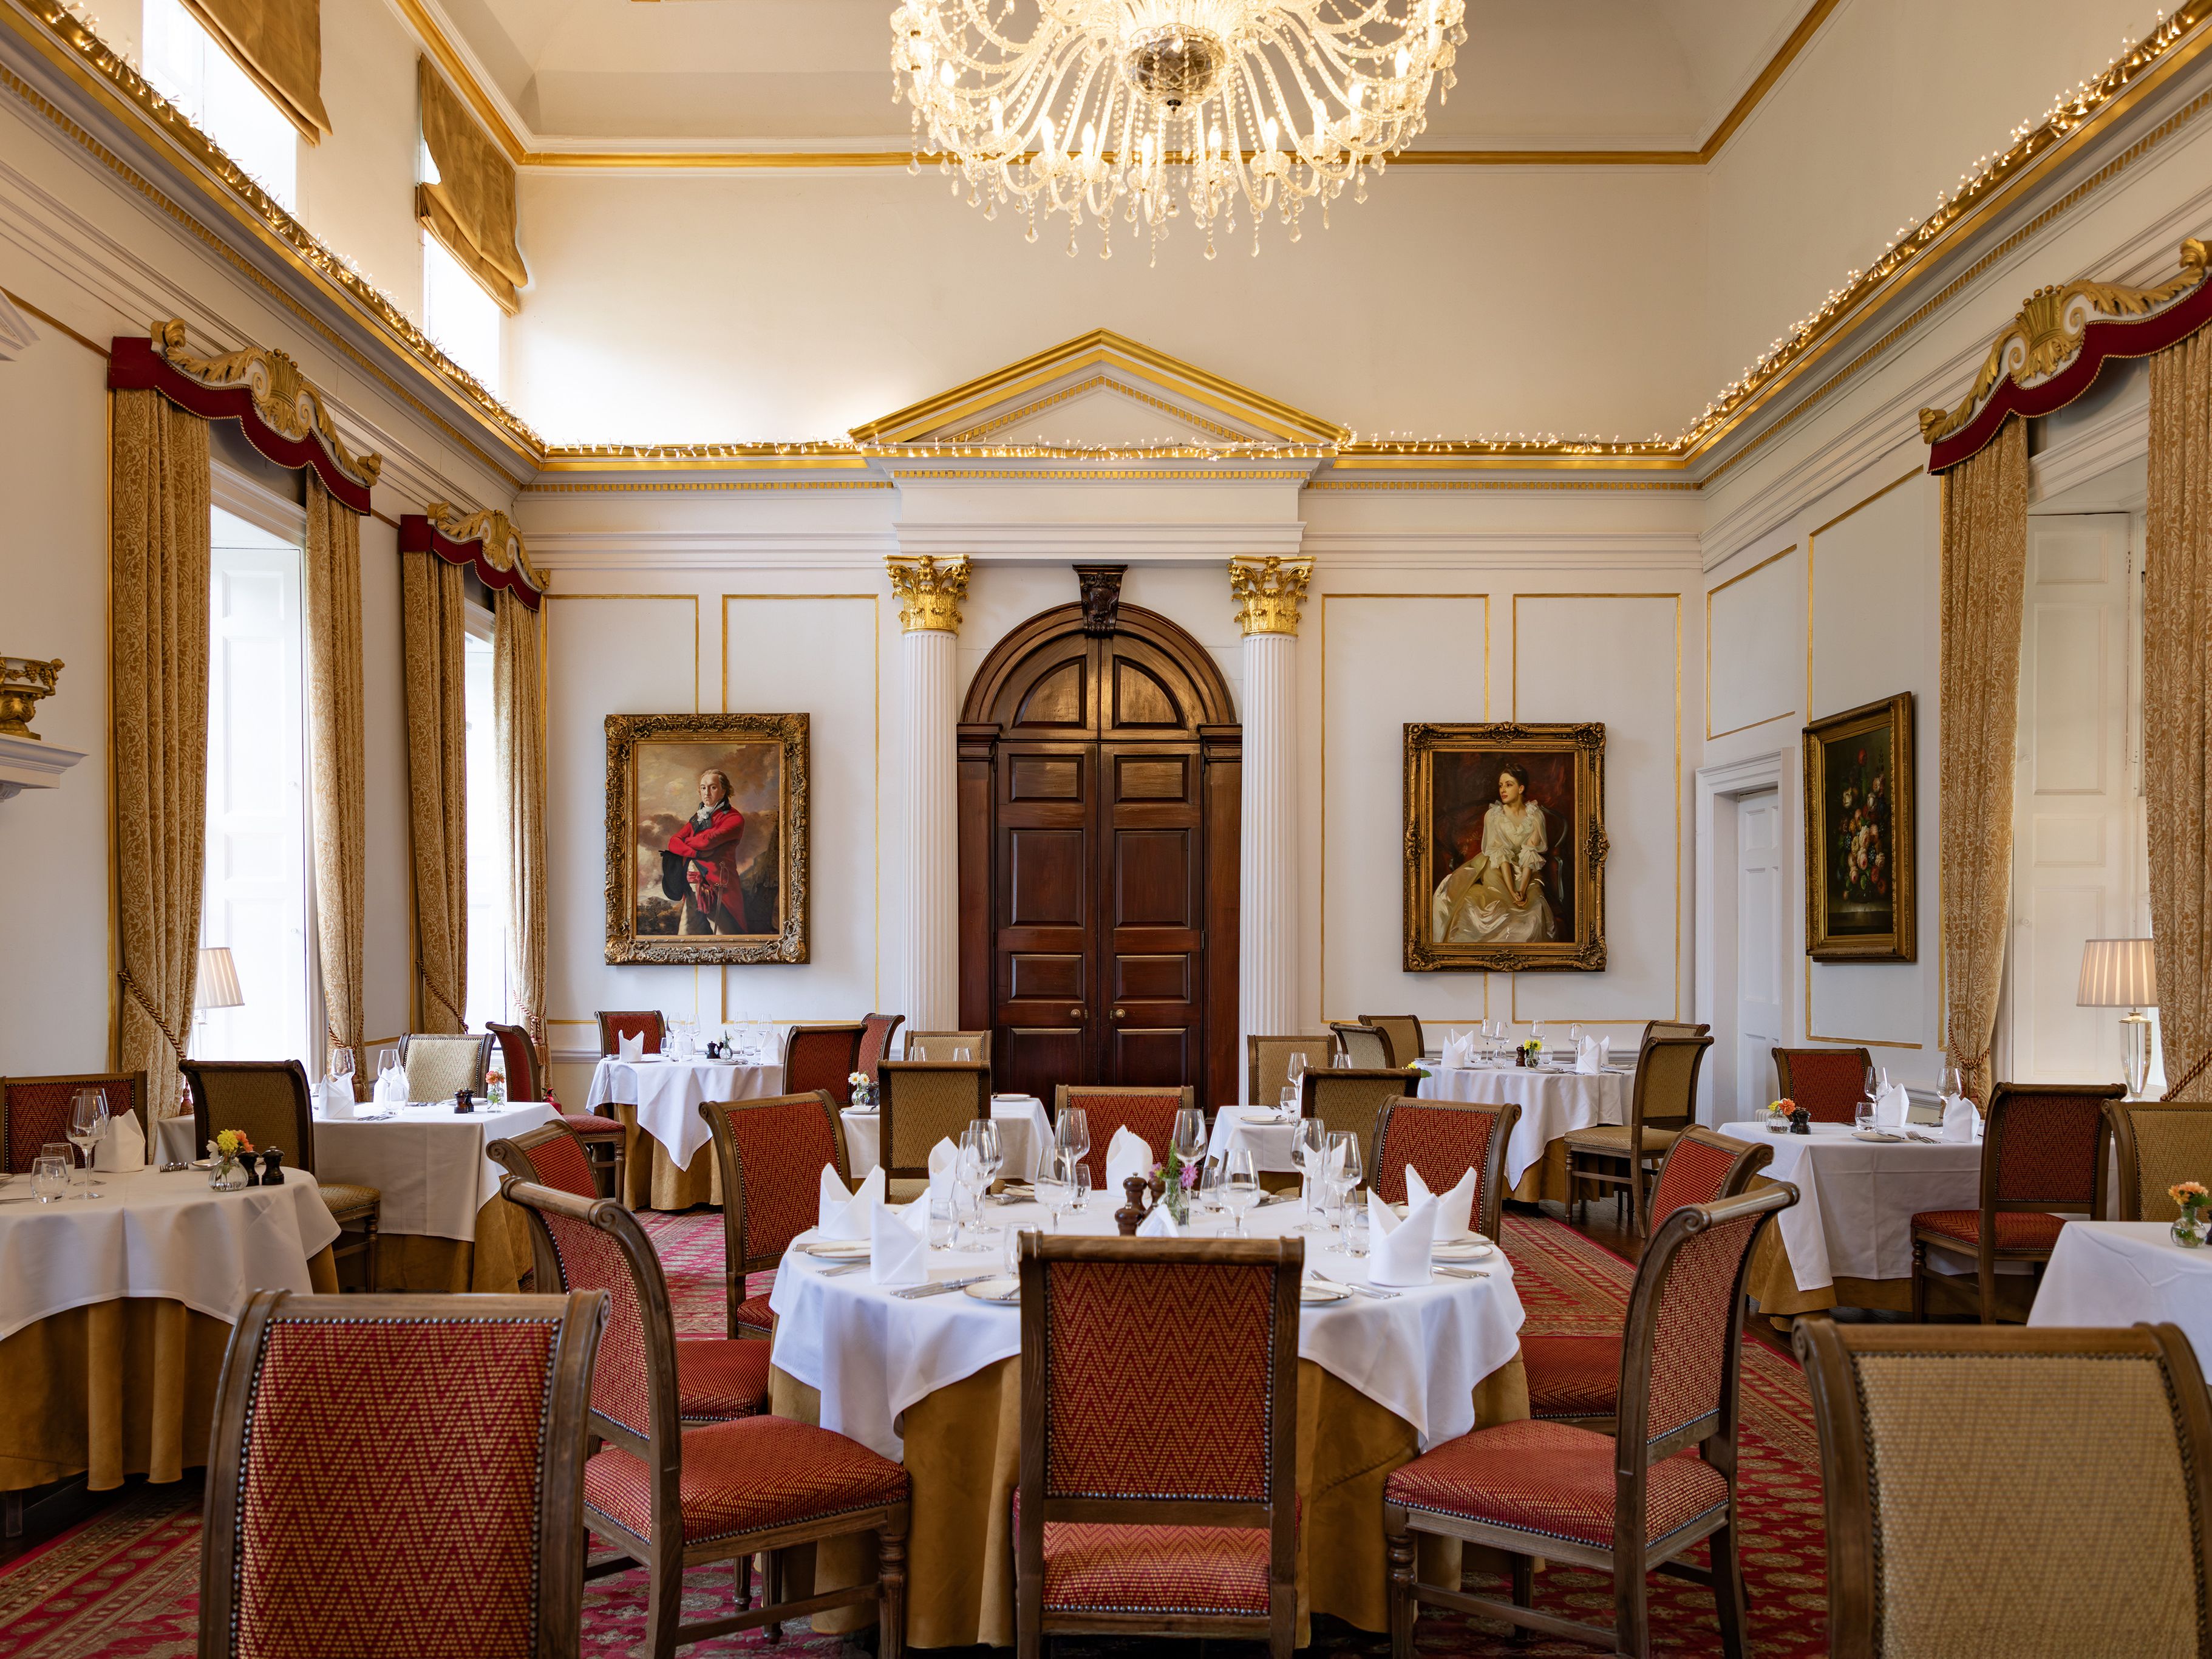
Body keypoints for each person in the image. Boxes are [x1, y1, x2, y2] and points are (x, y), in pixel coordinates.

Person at [1431, 760, 1557, 944]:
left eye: (1508, 785)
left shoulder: (1534, 815)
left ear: (1521, 788)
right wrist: (1511, 890)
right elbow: (1501, 855)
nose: (1503, 790)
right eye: (1500, 786)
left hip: (1526, 871)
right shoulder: (1494, 816)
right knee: (1490, 907)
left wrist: (1521, 889)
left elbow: (1530, 855)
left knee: (1533, 909)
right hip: (1497, 868)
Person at [667, 769, 747, 934]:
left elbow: (706, 842)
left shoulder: (734, 818)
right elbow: (673, 843)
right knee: (687, 932)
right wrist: (695, 854)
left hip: (718, 885)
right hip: (691, 883)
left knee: (724, 934)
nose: (707, 793)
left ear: (724, 791)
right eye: (703, 788)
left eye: (713, 787)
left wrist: (686, 843)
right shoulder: (699, 817)